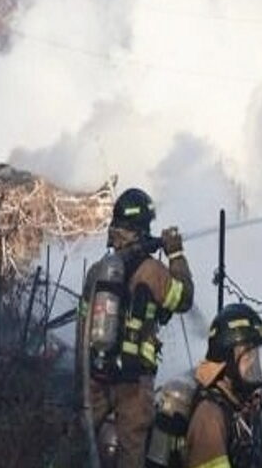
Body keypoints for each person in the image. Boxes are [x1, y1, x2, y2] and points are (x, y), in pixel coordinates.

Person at [80, 187, 195, 468]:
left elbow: (83, 324)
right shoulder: (152, 271)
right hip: (133, 380)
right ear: (143, 226)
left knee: (82, 439)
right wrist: (176, 254)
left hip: (95, 373)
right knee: (131, 451)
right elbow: (184, 298)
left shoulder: (98, 271)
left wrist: (84, 371)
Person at [186, 303, 262, 468]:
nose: (254, 367)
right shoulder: (210, 417)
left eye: (256, 358)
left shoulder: (237, 406)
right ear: (228, 362)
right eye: (248, 358)